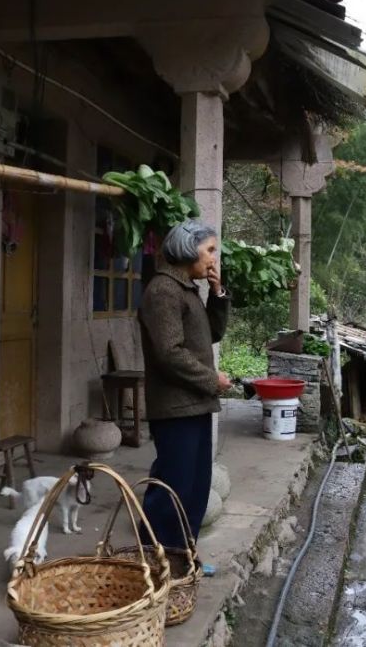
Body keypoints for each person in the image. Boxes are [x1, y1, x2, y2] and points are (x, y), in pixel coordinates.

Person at [138, 220, 232, 549]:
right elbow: (169, 353)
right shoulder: (163, 290)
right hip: (175, 406)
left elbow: (212, 335)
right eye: (209, 250)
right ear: (187, 249)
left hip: (194, 403)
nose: (213, 258)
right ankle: (156, 555)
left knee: (194, 487)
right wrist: (212, 379)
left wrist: (217, 294)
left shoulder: (187, 290)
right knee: (172, 488)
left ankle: (182, 556)